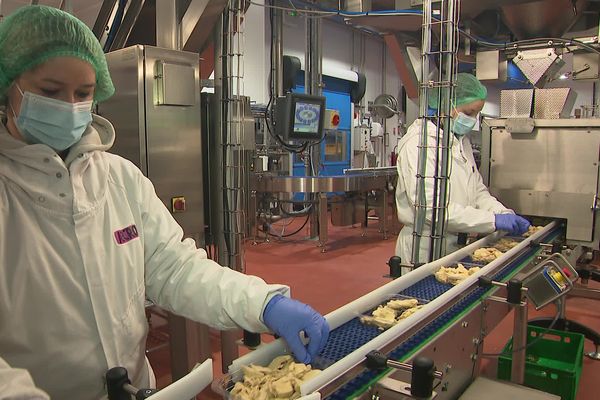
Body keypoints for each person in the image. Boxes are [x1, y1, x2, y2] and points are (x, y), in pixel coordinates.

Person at [0, 6, 329, 399]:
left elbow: (176, 268)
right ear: (8, 88)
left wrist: (263, 303)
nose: (69, 105)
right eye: (50, 91)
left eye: (83, 93)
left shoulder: (120, 179)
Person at [395, 73, 530, 265]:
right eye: (468, 112)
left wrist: (501, 213)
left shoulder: (459, 141)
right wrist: (492, 220)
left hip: (457, 244)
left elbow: (477, 191)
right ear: (445, 105)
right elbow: (432, 210)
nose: (472, 121)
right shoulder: (419, 145)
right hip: (424, 248)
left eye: (476, 114)